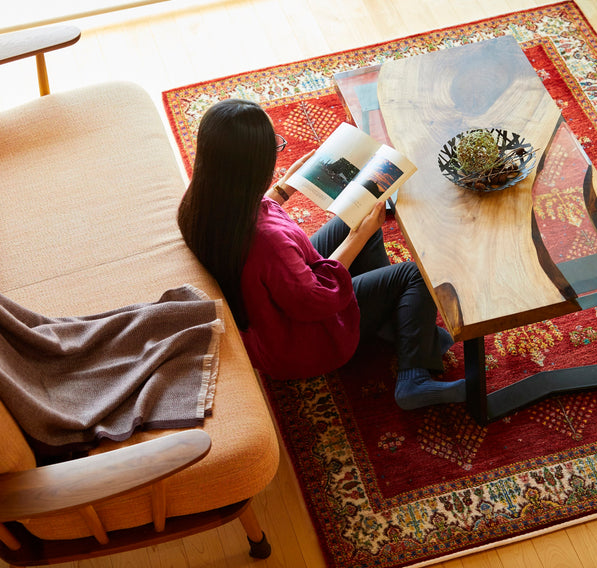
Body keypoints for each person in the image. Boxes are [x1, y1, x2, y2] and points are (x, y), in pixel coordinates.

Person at [177, 99, 465, 410]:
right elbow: (316, 299)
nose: (278, 151)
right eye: (273, 147)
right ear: (252, 166)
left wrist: (283, 189)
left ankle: (388, 316)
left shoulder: (198, 202)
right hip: (301, 341)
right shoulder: (268, 242)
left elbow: (249, 229)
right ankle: (414, 378)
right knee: (414, 272)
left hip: (270, 316)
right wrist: (359, 236)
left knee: (357, 215)